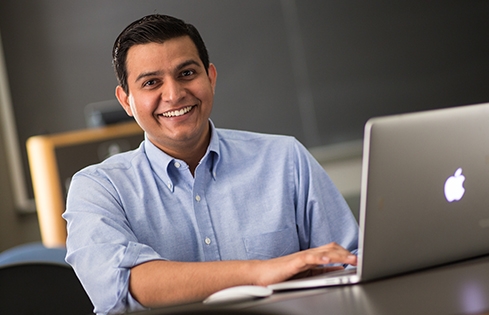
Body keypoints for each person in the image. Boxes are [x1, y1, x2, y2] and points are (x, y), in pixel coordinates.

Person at [63, 14, 359, 315]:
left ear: (211, 77)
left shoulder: (285, 158)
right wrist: (260, 272)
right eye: (152, 82)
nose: (174, 94)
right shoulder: (98, 187)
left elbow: (351, 262)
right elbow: (123, 285)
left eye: (187, 73)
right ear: (126, 101)